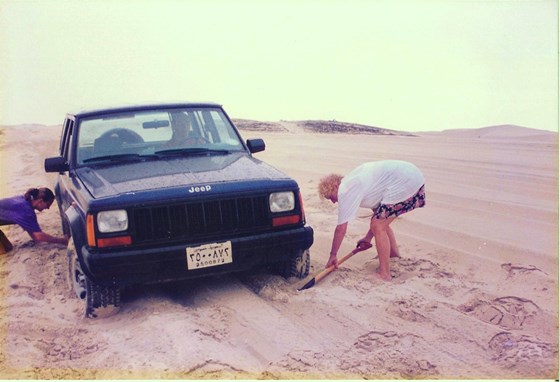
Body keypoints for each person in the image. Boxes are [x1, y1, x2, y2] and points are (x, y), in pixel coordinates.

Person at [318, 160, 425, 281]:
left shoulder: (345, 189)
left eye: (330, 197)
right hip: (411, 175)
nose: (333, 202)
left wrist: (333, 255)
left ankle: (384, 273)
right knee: (380, 222)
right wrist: (367, 238)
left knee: (378, 226)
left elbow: (341, 229)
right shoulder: (358, 184)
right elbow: (379, 214)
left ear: (335, 186)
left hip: (406, 180)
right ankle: (393, 255)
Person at [0, 187, 69, 252]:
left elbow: (34, 234)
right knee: (4, 251)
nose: (48, 208)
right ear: (40, 201)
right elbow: (38, 236)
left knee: (8, 248)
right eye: (48, 204)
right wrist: (62, 241)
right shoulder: (26, 210)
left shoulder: (25, 200)